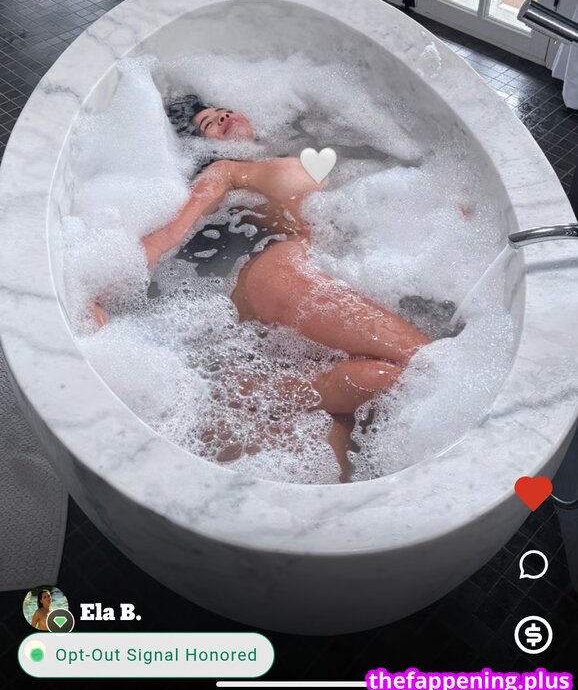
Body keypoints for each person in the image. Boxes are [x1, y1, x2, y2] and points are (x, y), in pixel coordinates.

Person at [91, 96, 435, 480]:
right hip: (280, 274)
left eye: (221, 111)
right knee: (426, 363)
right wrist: (100, 283)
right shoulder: (226, 170)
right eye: (208, 125)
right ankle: (248, 391)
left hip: (317, 275)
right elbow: (171, 232)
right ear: (201, 148)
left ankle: (259, 390)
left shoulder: (316, 151)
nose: (221, 117)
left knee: (366, 415)